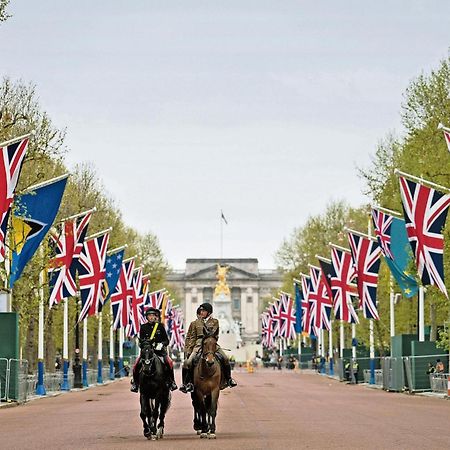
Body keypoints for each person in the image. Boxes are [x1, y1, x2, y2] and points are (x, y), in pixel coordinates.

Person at [179, 302, 237, 393]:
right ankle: (187, 383)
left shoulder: (215, 322)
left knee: (225, 358)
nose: (201, 312)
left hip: (211, 344)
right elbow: (191, 337)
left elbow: (215, 334)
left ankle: (229, 379)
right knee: (188, 362)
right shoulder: (195, 323)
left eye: (204, 311)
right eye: (201, 311)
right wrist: (188, 350)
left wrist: (209, 341)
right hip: (198, 345)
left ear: (209, 312)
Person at [130, 307, 177, 392]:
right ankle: (135, 384)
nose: (151, 317)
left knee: (169, 362)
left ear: (155, 317)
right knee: (136, 364)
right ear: (147, 317)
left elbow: (166, 340)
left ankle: (171, 381)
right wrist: (145, 345)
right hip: (147, 352)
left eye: (153, 316)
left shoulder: (160, 326)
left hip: (160, 352)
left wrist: (162, 344)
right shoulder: (143, 327)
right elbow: (141, 342)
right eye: (149, 316)